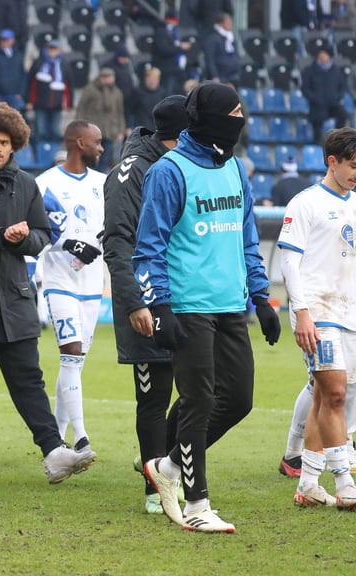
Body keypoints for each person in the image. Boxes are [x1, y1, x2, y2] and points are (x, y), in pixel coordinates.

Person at [136, 82, 280, 533]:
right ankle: (197, 506)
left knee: (237, 399)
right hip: (187, 306)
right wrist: (160, 306)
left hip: (231, 305)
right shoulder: (169, 171)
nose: (240, 119)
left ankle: (168, 469)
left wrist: (262, 297)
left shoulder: (236, 168)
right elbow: (148, 247)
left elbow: (246, 238)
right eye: (233, 111)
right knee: (198, 400)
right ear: (210, 117)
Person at [0, 102, 97, 485]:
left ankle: (54, 452)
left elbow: (44, 236)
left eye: (4, 142)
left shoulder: (26, 184)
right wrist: (1, 236)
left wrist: (26, 239)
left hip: (16, 302)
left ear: (15, 145)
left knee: (30, 382)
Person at [102, 95, 189, 514]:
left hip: (187, 298)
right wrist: (137, 301)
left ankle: (157, 461)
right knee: (154, 395)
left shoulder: (186, 164)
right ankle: (156, 490)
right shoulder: (132, 172)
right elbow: (118, 242)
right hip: (148, 300)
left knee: (205, 392)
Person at [279, 127, 356, 509]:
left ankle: (308, 484)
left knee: (327, 396)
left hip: (351, 313)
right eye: (353, 166)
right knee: (337, 392)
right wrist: (302, 312)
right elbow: (289, 261)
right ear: (332, 161)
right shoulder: (305, 203)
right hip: (319, 313)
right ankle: (344, 483)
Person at [36, 120, 107, 456]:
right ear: (80, 143)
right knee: (71, 353)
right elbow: (40, 228)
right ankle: (82, 438)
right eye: (97, 142)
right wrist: (68, 244)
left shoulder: (104, 184)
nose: (101, 148)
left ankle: (57, 435)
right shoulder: (45, 184)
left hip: (92, 285)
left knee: (75, 363)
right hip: (60, 282)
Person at [75, 68, 126, 171]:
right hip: (93, 131)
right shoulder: (90, 89)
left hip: (110, 130)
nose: (107, 80)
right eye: (104, 77)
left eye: (109, 77)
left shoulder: (117, 92)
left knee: (105, 158)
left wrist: (121, 130)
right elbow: (81, 108)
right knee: (91, 158)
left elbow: (119, 112)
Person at [301, 47, 349, 146]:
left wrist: (337, 97)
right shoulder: (310, 71)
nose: (322, 57)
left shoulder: (336, 71)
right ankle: (317, 143)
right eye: (321, 54)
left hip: (332, 104)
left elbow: (342, 87)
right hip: (317, 105)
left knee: (342, 114)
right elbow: (305, 88)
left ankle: (338, 139)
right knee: (317, 119)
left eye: (324, 54)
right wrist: (314, 98)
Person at [27, 40, 72, 144]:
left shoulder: (64, 65)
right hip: (40, 103)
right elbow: (31, 84)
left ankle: (53, 154)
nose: (52, 51)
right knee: (41, 131)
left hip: (57, 104)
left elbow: (68, 86)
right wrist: (29, 100)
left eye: (55, 49)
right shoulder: (38, 63)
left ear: (59, 50)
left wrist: (69, 103)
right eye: (50, 49)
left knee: (55, 131)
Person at [0, 29, 27, 111]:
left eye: (7, 40)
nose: (4, 42)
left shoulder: (19, 55)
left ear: (13, 40)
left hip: (15, 95)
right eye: (3, 39)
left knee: (16, 119)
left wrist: (21, 93)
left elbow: (23, 74)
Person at [152, 10, 192, 96]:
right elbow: (164, 49)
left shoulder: (172, 31)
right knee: (168, 93)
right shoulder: (161, 32)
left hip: (174, 67)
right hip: (166, 68)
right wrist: (180, 47)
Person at [201, 13, 240, 84]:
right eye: (228, 23)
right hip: (221, 75)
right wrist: (214, 75)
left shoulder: (231, 37)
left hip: (233, 74)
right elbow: (210, 58)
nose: (230, 25)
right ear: (221, 24)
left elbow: (236, 53)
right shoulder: (213, 38)